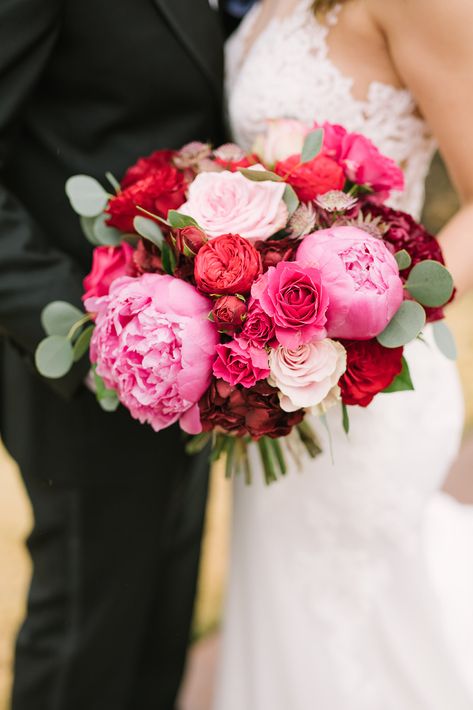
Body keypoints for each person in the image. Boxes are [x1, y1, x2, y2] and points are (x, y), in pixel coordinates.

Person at [215, 0, 473, 707]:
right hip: (276, 389)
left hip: (372, 385)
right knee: (284, 611)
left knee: (363, 621)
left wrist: (362, 323)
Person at [0, 1, 224, 709]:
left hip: (209, 358)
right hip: (85, 353)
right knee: (85, 643)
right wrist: (92, 341)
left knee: (159, 623)